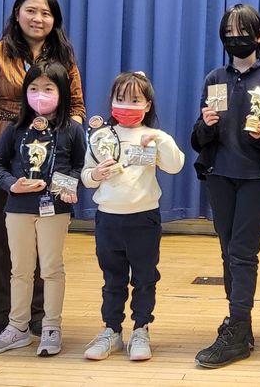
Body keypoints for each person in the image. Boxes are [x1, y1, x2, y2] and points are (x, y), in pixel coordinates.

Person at [0, 0, 86, 340]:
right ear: (17, 13)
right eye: (31, 11)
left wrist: (66, 147)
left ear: (54, 20)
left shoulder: (63, 56)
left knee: (46, 246)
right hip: (6, 160)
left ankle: (39, 318)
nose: (38, 18)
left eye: (46, 13)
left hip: (53, 165)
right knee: (5, 243)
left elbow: (76, 106)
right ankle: (4, 320)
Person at [191, 4, 260, 368]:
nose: (235, 36)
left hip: (255, 177)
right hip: (219, 174)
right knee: (227, 250)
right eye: (228, 30)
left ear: (259, 35)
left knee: (244, 252)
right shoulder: (215, 77)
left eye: (242, 30)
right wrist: (206, 125)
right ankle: (239, 322)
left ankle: (237, 327)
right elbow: (199, 136)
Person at [0, 61, 86, 356]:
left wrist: (68, 186)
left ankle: (51, 326)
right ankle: (17, 327)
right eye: (34, 88)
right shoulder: (15, 129)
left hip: (55, 209)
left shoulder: (72, 130)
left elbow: (80, 165)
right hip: (18, 209)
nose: (41, 94)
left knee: (52, 268)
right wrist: (13, 184)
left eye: (49, 88)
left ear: (62, 93)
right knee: (20, 270)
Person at [81, 72, 185, 361]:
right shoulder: (101, 135)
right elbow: (86, 177)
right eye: (121, 99)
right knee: (112, 279)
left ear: (147, 105)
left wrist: (160, 140)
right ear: (111, 101)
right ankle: (111, 331)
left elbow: (176, 165)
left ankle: (141, 329)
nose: (127, 105)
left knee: (145, 277)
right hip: (108, 220)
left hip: (144, 220)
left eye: (135, 99)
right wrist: (95, 174)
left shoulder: (154, 137)